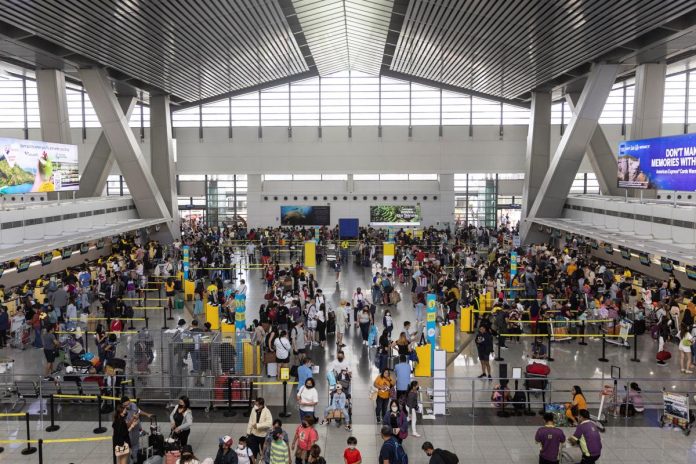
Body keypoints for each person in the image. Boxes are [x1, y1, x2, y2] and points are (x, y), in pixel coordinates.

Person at [121, 396, 152, 463]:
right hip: (128, 432)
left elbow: (139, 411)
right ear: (122, 405)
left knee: (136, 446)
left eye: (128, 404)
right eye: (125, 405)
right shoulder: (122, 412)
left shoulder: (133, 405)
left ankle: (135, 459)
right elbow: (126, 426)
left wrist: (147, 414)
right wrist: (133, 418)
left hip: (136, 430)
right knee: (127, 450)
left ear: (130, 401)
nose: (128, 406)